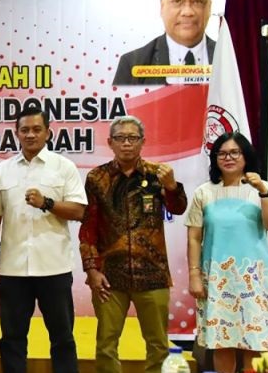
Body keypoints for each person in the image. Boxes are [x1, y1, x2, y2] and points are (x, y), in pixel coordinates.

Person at [79, 115, 187, 373]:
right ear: (110, 142)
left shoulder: (158, 174)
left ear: (142, 141)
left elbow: (178, 208)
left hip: (153, 273)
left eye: (132, 138)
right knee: (106, 345)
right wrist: (91, 269)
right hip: (109, 276)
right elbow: (88, 227)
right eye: (120, 138)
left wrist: (172, 186)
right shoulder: (97, 178)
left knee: (158, 345)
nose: (126, 143)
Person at [0, 107, 87, 373]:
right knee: (12, 339)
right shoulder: (2, 171)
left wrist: (47, 203)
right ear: (16, 133)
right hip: (12, 269)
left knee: (62, 338)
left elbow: (79, 211)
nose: (30, 135)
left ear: (48, 133)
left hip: (54, 267)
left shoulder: (64, 167)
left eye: (36, 129)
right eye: (25, 130)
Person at [186, 132, 268, 373]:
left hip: (253, 278)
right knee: (222, 343)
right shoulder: (204, 192)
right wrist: (194, 274)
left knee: (254, 342)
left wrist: (263, 190)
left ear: (245, 156)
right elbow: (194, 237)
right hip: (217, 279)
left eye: (234, 153)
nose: (228, 158)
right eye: (222, 153)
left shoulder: (263, 188)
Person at [113, 0, 215, 86]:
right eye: (177, 1)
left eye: (197, 1)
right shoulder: (132, 64)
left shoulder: (229, 59)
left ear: (209, 7)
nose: (187, 12)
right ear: (162, 7)